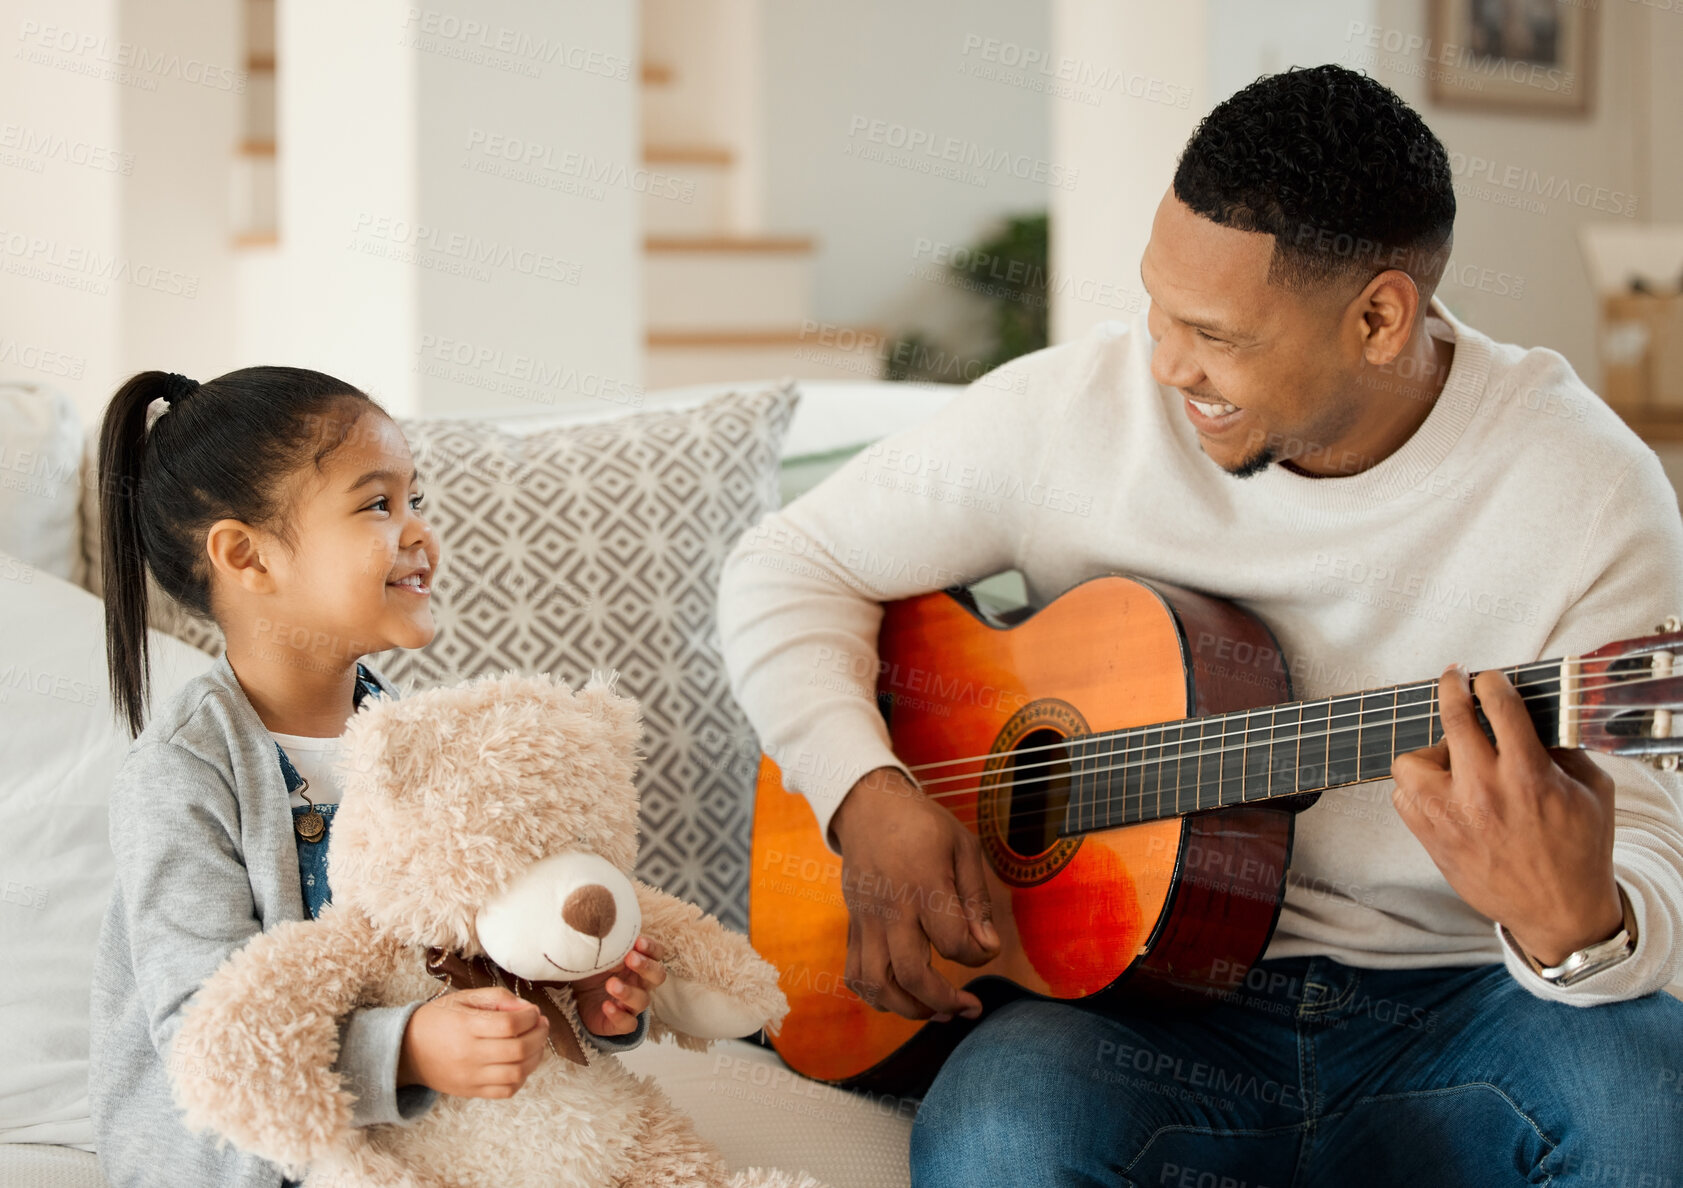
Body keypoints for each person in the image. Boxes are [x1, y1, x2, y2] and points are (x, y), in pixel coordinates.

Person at [717, 65, 1683, 1185]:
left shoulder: (1585, 488)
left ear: (1379, 318)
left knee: (1650, 1102)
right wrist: (862, 792)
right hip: (1139, 1011)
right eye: (1157, 307)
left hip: (1467, 1003)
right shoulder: (1078, 411)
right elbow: (788, 560)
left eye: (1214, 333)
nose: (1166, 362)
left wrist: (1581, 927)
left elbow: (1654, 851)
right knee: (1000, 1140)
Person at [87, 367, 668, 1188]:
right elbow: (205, 1037)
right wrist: (409, 1051)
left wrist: (581, 995)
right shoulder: (182, 773)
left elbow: (464, 941)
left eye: (415, 501)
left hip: (413, 1145)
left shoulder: (417, 737)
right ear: (245, 555)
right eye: (376, 505)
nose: (420, 533)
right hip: (248, 1164)